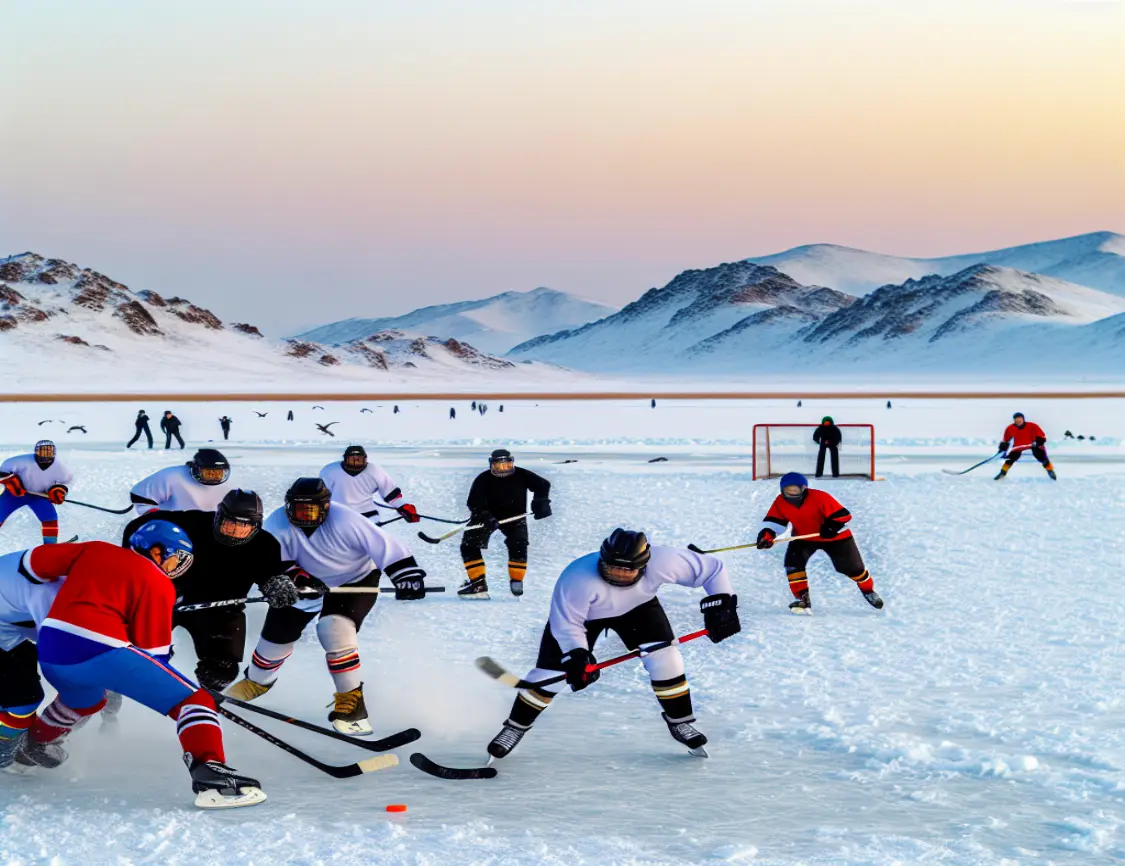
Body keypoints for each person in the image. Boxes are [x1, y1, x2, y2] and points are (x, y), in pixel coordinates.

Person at [10, 528, 265, 808]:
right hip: (98, 646)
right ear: (156, 550)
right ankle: (211, 772)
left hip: (51, 646)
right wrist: (184, 691)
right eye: (177, 557)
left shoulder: (95, 549)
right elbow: (153, 655)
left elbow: (34, 563)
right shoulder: (158, 582)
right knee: (194, 699)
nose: (177, 567)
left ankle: (32, 745)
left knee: (86, 701)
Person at [485, 528, 740, 761]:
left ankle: (680, 721)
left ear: (644, 565)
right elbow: (567, 624)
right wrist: (577, 655)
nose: (618, 575)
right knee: (552, 675)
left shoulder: (664, 561)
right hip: (582, 619)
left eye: (627, 571)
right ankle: (514, 727)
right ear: (601, 561)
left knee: (666, 659)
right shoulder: (577, 577)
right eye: (611, 569)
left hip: (639, 608)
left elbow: (712, 569)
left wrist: (721, 604)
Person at [225, 478, 427, 735]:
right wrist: (293, 578)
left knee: (333, 628)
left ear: (326, 507)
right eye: (297, 510)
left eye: (310, 511)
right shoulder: (276, 523)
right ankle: (257, 682)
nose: (303, 517)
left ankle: (352, 703)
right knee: (274, 639)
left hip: (354, 581)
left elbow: (386, 546)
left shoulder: (346, 519)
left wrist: (407, 575)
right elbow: (269, 559)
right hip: (306, 584)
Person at [121, 489, 300, 691]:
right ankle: (110, 691)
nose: (233, 531)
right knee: (130, 651)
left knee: (222, 671)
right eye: (229, 523)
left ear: (256, 526)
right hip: (167, 602)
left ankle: (205, 697)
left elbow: (270, 574)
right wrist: (133, 555)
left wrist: (276, 585)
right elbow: (140, 526)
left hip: (221, 612)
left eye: (243, 527)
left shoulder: (265, 545)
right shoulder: (191, 522)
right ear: (218, 516)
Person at [756, 472, 882, 613]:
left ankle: (868, 590)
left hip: (835, 538)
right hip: (803, 537)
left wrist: (830, 526)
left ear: (804, 489)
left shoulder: (820, 497)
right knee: (793, 565)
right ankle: (803, 599)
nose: (792, 493)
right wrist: (767, 536)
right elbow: (775, 522)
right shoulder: (780, 501)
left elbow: (844, 515)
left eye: (795, 489)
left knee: (853, 570)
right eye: (788, 490)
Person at [0, 545, 68, 767]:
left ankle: (14, 736)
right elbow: (54, 638)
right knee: (24, 698)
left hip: (11, 637)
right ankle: (4, 750)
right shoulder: (48, 591)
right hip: (8, 636)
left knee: (25, 674)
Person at [458, 449, 552, 600]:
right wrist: (485, 516)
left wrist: (541, 502)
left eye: (506, 465)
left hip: (515, 517)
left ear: (512, 462)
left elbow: (543, 485)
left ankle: (517, 580)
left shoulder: (522, 475)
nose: (503, 469)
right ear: (491, 465)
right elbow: (473, 503)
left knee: (519, 543)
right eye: (498, 466)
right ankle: (478, 584)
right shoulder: (483, 479)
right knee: (469, 546)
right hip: (486, 518)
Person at [318, 445, 420, 523]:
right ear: (345, 459)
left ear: (365, 458)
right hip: (338, 516)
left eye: (359, 459)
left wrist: (404, 507)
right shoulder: (329, 471)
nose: (356, 462)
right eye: (352, 459)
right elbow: (320, 496)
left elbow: (391, 494)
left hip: (369, 517)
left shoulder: (375, 471)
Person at [0, 441, 73, 544]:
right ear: (36, 452)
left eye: (49, 451)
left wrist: (58, 490)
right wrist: (11, 482)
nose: (46, 454)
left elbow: (66, 482)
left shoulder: (61, 468)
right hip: (13, 495)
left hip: (39, 496)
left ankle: (50, 546)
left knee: (50, 518)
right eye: (43, 451)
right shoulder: (19, 461)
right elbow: (3, 471)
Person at [130, 448, 233, 514]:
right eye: (208, 473)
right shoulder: (172, 476)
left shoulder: (229, 486)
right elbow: (141, 496)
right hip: (171, 527)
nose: (213, 477)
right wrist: (154, 516)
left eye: (218, 474)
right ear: (196, 470)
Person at [995, 413, 1056, 480]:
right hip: (1018, 446)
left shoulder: (1032, 426)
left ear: (1023, 419)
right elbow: (1005, 440)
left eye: (1020, 418)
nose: (1018, 420)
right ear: (1014, 420)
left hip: (1033, 445)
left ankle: (1050, 471)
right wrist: (1002, 449)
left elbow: (1041, 436)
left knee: (1042, 457)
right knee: (1010, 459)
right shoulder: (1010, 428)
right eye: (1016, 419)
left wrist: (1039, 442)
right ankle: (1003, 472)